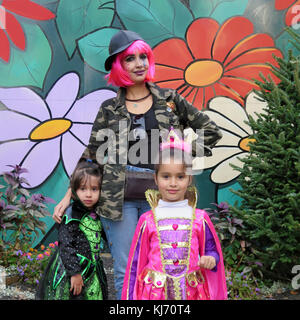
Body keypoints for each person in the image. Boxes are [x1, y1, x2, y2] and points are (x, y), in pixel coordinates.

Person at [52, 29, 223, 299]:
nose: (139, 63)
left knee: (165, 267)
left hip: (165, 194)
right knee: (126, 267)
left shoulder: (169, 100)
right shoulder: (110, 108)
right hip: (119, 199)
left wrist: (182, 156)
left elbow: (211, 130)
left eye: (143, 56)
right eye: (130, 58)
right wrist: (68, 195)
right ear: (119, 66)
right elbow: (92, 155)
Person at [121, 129, 227, 300]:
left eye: (180, 177)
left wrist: (211, 259)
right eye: (166, 176)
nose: (173, 183)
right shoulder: (147, 220)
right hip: (154, 294)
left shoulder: (200, 218)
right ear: (155, 179)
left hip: (193, 294)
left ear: (189, 179)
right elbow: (135, 265)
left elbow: (212, 251)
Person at [36, 159, 108, 300]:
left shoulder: (100, 213)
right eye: (83, 189)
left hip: (92, 270)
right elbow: (66, 245)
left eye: (94, 189)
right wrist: (74, 273)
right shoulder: (71, 215)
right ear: (74, 191)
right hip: (72, 270)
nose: (88, 194)